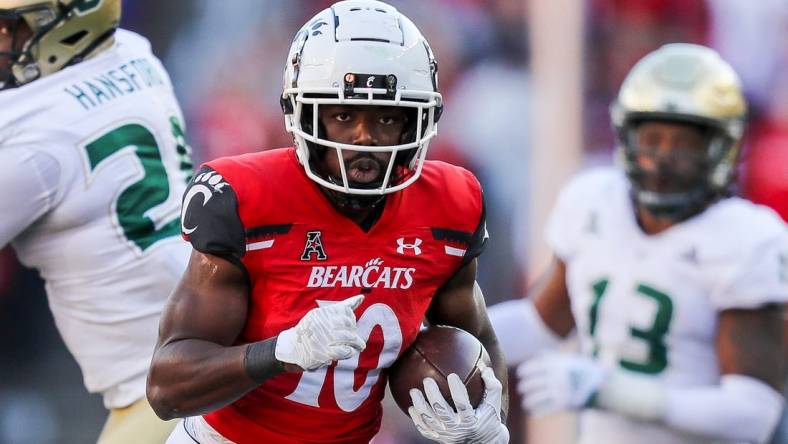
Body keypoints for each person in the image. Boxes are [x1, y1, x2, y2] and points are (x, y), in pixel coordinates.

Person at [146, 1, 510, 443]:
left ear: (418, 121)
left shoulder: (450, 206)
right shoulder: (246, 198)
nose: (365, 137)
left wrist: (488, 424)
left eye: (388, 117)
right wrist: (280, 352)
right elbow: (166, 387)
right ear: (304, 116)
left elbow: (479, 343)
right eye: (343, 116)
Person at [489, 43, 787, 444]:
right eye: (652, 138)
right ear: (626, 137)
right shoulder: (594, 203)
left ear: (722, 147)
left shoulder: (746, 239)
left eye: (683, 144)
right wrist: (437, 330)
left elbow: (755, 414)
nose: (663, 158)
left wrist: (616, 392)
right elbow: (540, 324)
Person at [0, 0, 193, 442]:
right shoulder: (134, 54)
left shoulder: (36, 140)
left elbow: (40, 133)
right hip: (206, 351)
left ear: (65, 28)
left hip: (166, 392)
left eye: (9, 27)